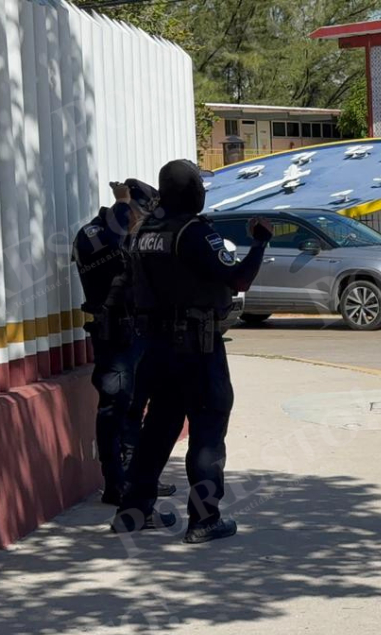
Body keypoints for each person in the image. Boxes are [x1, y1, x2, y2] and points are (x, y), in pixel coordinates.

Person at [112, 159, 272, 542]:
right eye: (199, 184)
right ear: (191, 191)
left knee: (159, 428)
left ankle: (133, 512)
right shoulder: (194, 232)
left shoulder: (144, 231)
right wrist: (260, 241)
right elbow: (239, 279)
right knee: (207, 428)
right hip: (197, 347)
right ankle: (204, 519)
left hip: (155, 347)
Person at [73, 179, 176, 505]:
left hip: (139, 336)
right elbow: (121, 270)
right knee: (114, 410)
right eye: (145, 215)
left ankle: (137, 477)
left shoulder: (129, 236)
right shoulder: (94, 236)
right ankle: (115, 483)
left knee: (135, 410)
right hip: (114, 337)